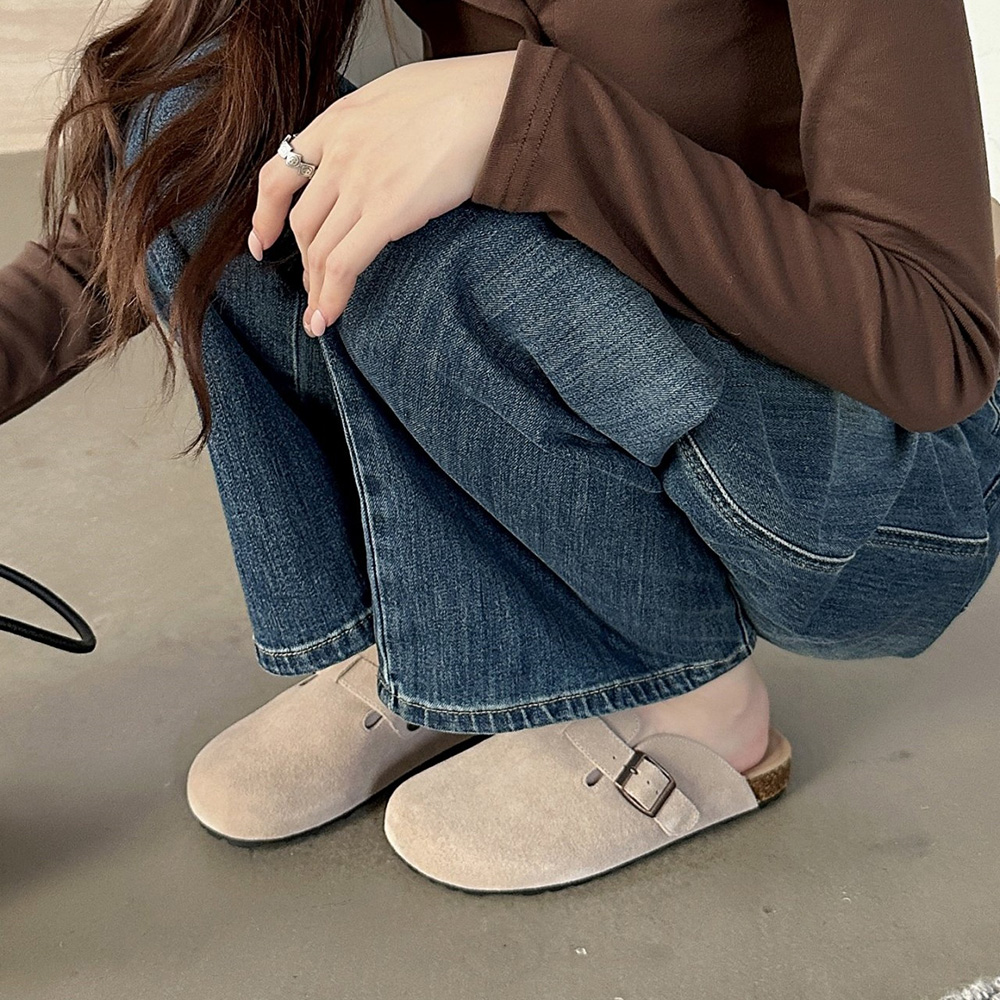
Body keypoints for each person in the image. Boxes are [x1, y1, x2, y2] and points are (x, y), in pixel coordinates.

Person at [2, 0, 999, 893]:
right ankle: (434, 636)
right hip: (600, 344)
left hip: (856, 473)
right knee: (186, 124)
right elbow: (159, 188)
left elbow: (937, 347)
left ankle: (702, 713)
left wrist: (529, 118)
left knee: (454, 251)